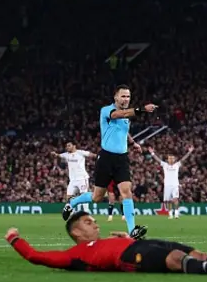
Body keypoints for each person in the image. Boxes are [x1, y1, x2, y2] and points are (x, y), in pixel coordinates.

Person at [5, 211, 207, 276]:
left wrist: (126, 238)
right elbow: (36, 256)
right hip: (128, 259)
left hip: (135, 245)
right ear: (76, 232)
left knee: (192, 252)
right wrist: (15, 238)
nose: (95, 224)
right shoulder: (73, 255)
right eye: (88, 222)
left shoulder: (109, 238)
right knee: (174, 260)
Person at [63, 85, 157, 238]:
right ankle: (72, 203)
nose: (126, 99)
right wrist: (142, 109)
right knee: (97, 197)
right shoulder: (106, 110)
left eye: (128, 96)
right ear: (115, 97)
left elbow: (124, 131)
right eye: (123, 96)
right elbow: (118, 115)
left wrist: (133, 144)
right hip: (106, 158)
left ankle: (132, 230)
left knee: (126, 192)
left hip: (122, 159)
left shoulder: (125, 117)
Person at [148, 146, 194, 219]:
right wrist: (152, 153)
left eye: (172, 158)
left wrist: (189, 152)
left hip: (175, 185)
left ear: (174, 159)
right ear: (168, 159)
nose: (171, 160)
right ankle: (170, 214)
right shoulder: (165, 165)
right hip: (167, 186)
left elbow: (183, 159)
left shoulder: (177, 165)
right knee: (168, 201)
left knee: (175, 199)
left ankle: (176, 214)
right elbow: (158, 160)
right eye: (170, 158)